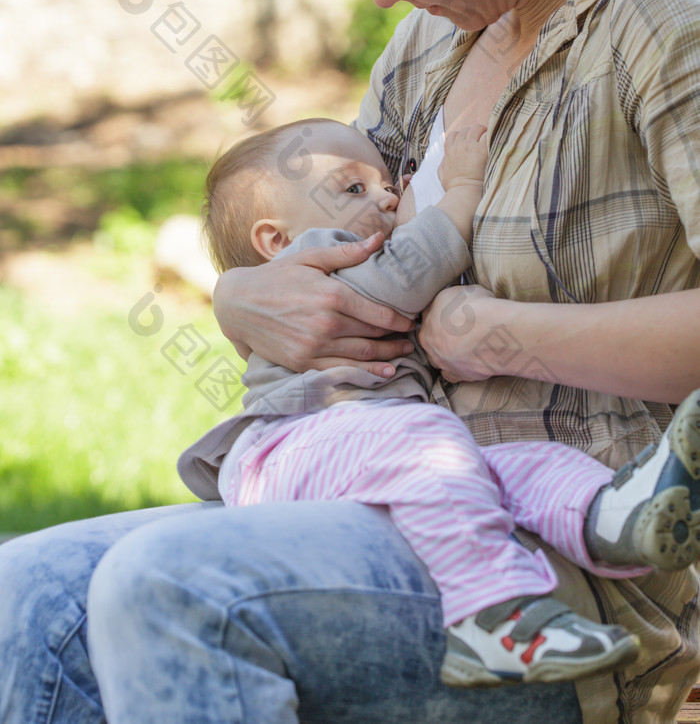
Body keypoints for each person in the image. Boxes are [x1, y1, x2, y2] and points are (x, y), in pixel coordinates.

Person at [1, 0, 699, 724]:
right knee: (24, 597)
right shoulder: (431, 43)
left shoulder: (663, 28)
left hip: (557, 575)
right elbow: (323, 243)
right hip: (369, 506)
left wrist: (492, 334)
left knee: (171, 589)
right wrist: (240, 294)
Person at [180, 114, 700, 687]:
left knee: (516, 465)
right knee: (436, 450)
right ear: (274, 242)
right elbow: (402, 274)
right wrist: (463, 193)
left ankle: (613, 516)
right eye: (354, 189)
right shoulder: (313, 261)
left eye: (387, 182)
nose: (386, 195)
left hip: (366, 446)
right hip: (290, 445)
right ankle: (488, 617)